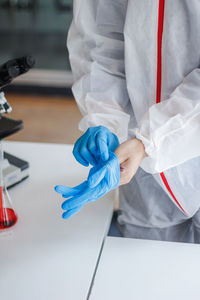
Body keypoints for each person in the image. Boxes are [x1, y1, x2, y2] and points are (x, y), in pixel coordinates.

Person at [55, 0, 200, 243]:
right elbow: (100, 42)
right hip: (140, 165)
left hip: (152, 146)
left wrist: (151, 141)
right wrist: (104, 117)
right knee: (145, 270)